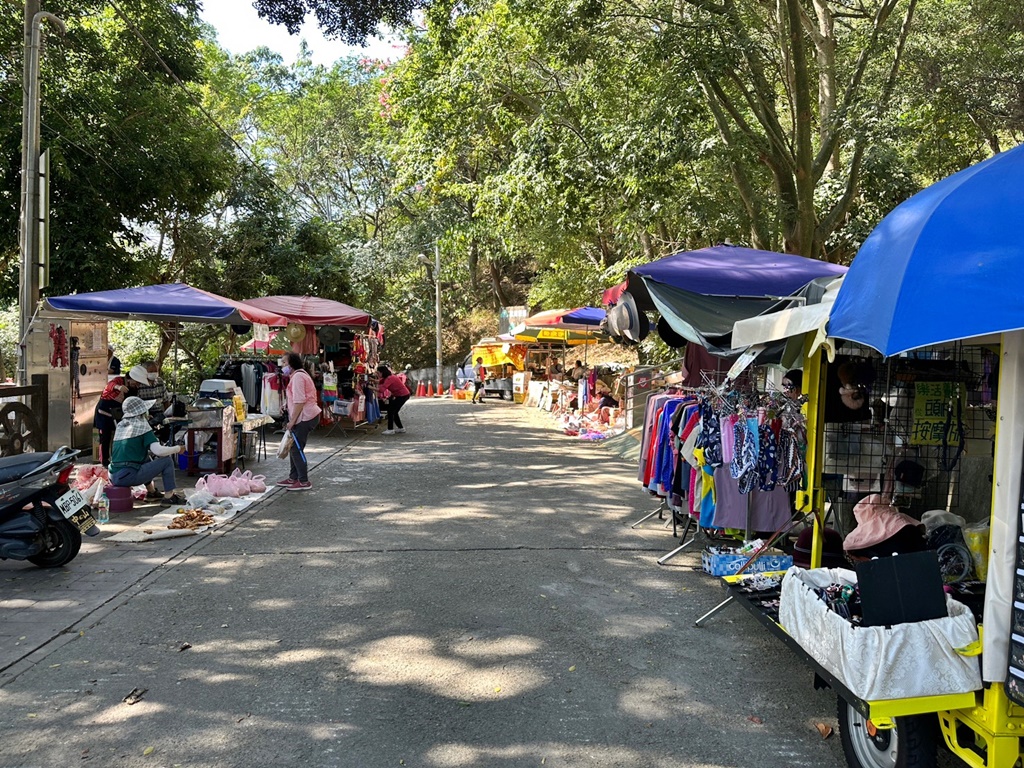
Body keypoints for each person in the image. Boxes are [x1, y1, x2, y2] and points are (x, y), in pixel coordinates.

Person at [108, 396, 185, 505]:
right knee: (167, 461)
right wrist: (178, 449)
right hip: (128, 476)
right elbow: (158, 451)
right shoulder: (143, 427)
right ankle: (169, 496)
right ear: (142, 412)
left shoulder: (121, 426)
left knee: (145, 457)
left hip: (113, 475)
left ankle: (151, 492)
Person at [277, 352, 321, 491]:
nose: (282, 366)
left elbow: (300, 401)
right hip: (305, 415)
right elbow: (297, 399)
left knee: (296, 448)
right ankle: (293, 477)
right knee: (293, 447)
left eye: (284, 363)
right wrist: (286, 406)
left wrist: (292, 421)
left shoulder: (298, 377)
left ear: (292, 364)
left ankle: (303, 481)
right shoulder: (298, 376)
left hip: (305, 417)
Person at [94, 365, 147, 467]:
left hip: (119, 413)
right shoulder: (118, 380)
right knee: (105, 437)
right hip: (104, 412)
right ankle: (104, 461)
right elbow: (109, 386)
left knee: (121, 436)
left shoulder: (134, 389)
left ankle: (119, 458)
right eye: (136, 382)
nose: (137, 385)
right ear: (131, 379)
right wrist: (118, 387)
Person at [377, 364, 411, 435]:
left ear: (382, 372)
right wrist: (371, 380)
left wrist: (370, 387)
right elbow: (379, 382)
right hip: (401, 395)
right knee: (394, 412)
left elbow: (381, 390)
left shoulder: (390, 378)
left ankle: (390, 429)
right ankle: (401, 428)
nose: (378, 374)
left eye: (378, 373)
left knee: (391, 411)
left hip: (402, 395)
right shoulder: (388, 378)